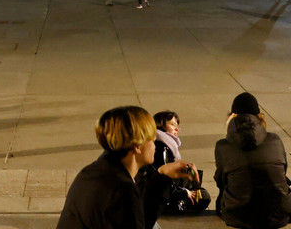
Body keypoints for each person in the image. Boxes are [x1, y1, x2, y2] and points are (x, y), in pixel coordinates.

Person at [56, 104, 197, 229]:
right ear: (137, 146)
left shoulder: (93, 172)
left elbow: (139, 218)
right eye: (152, 140)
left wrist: (162, 175)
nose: (155, 144)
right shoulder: (121, 190)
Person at [214, 91, 291, 228]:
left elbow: (221, 181)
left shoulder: (223, 146)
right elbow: (282, 172)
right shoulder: (275, 139)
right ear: (259, 117)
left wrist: (228, 131)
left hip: (238, 216)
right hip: (278, 214)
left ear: (232, 117)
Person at [151, 110, 211, 212]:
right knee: (203, 197)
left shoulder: (167, 145)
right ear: (161, 125)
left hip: (171, 191)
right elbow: (163, 179)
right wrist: (184, 192)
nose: (177, 129)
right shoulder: (162, 146)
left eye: (177, 125)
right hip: (166, 197)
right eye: (172, 124)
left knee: (202, 194)